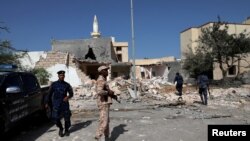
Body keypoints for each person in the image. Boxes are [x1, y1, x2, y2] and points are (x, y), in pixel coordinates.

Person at [45, 70, 73, 137]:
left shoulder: (67, 85)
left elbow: (71, 94)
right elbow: (49, 94)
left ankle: (66, 129)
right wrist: (46, 102)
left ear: (64, 76)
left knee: (67, 117)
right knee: (55, 117)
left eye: (63, 75)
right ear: (58, 76)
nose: (62, 76)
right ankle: (61, 128)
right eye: (60, 75)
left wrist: (68, 97)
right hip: (56, 103)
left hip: (64, 103)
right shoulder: (54, 84)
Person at [95, 65, 118, 141]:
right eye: (105, 70)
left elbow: (106, 91)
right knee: (104, 122)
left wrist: (113, 95)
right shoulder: (101, 80)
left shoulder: (104, 79)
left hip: (106, 102)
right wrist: (108, 92)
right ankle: (97, 137)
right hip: (103, 103)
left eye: (107, 70)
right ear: (101, 72)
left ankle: (107, 137)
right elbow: (99, 91)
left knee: (106, 121)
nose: (107, 71)